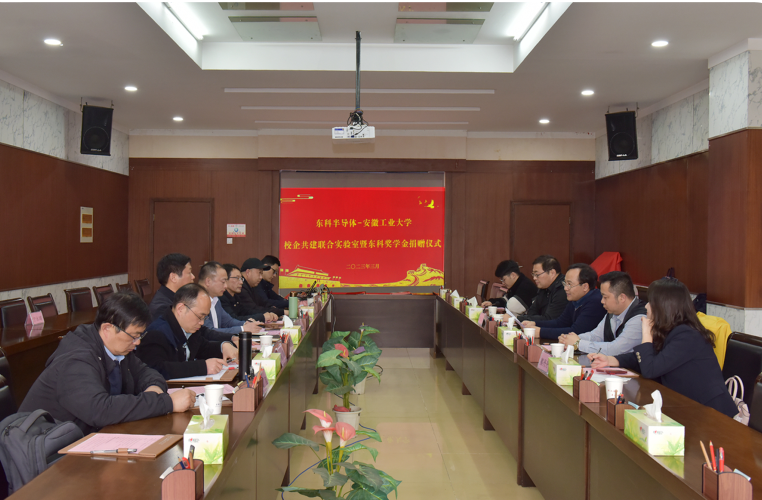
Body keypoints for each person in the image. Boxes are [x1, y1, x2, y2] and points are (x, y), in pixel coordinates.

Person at [19, 292, 196, 434]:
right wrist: (165, 403)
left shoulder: (117, 347)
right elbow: (100, 410)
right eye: (134, 336)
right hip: (44, 450)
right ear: (107, 329)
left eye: (140, 336)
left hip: (85, 439)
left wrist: (154, 391)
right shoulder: (76, 360)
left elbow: (146, 372)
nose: (138, 343)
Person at [590, 278, 738, 418]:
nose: (646, 306)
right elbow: (648, 358)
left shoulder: (687, 335)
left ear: (664, 306)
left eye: (650, 302)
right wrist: (611, 360)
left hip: (710, 412)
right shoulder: (670, 329)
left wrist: (646, 334)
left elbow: (650, 369)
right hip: (684, 405)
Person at [137, 284, 238, 380]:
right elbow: (157, 369)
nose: (202, 322)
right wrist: (203, 367)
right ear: (181, 309)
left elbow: (204, 348)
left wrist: (223, 346)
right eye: (199, 316)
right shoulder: (156, 333)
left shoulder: (188, 328)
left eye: (204, 317)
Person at [558, 271, 647, 355]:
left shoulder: (640, 318)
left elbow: (616, 349)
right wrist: (569, 339)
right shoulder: (613, 311)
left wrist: (578, 343)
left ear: (622, 298)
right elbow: (596, 336)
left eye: (605, 297)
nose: (602, 301)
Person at [523, 263, 605, 341]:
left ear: (585, 287)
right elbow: (560, 323)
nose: (565, 288)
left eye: (569, 284)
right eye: (565, 283)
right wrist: (535, 324)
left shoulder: (596, 302)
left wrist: (540, 332)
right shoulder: (576, 298)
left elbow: (576, 332)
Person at [198, 261, 262, 339]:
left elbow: (228, 321)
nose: (225, 286)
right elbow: (210, 332)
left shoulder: (215, 299)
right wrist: (242, 329)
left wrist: (245, 324)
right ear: (208, 281)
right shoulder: (197, 301)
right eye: (223, 282)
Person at [517, 255, 568, 322]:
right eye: (533, 274)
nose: (534, 278)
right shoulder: (544, 287)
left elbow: (550, 319)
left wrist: (518, 319)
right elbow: (532, 311)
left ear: (552, 273)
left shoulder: (563, 289)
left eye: (537, 275)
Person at [148, 253, 195, 322]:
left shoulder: (177, 299)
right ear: (173, 277)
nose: (193, 277)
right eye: (189, 272)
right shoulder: (162, 309)